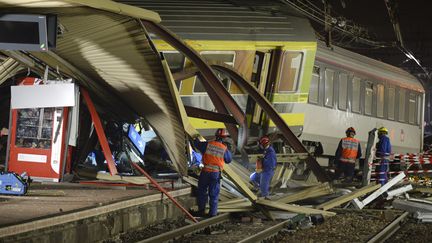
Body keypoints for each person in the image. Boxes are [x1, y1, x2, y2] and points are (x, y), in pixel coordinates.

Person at [194, 128, 232, 217]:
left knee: (202, 191)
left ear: (216, 136)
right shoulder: (224, 149)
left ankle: (201, 211)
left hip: (205, 172)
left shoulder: (208, 144)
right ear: (225, 138)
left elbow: (197, 144)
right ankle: (212, 214)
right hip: (215, 174)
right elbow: (228, 160)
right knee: (214, 194)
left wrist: (196, 138)